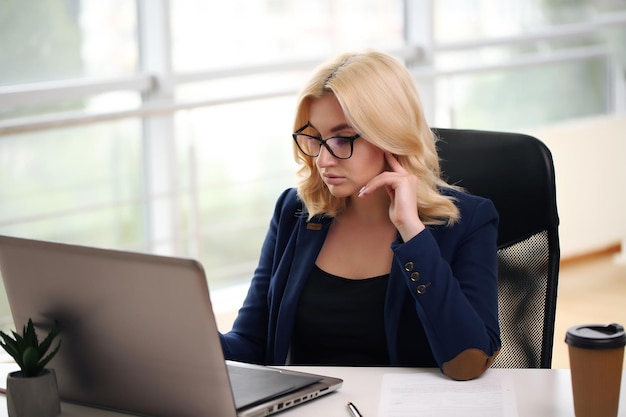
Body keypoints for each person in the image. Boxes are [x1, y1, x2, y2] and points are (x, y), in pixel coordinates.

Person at [219, 50, 501, 381]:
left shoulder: (467, 221)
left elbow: (467, 363)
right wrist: (193, 340)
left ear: (389, 135)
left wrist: (412, 232)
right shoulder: (295, 212)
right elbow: (251, 342)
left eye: (341, 139)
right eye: (314, 138)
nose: (323, 160)